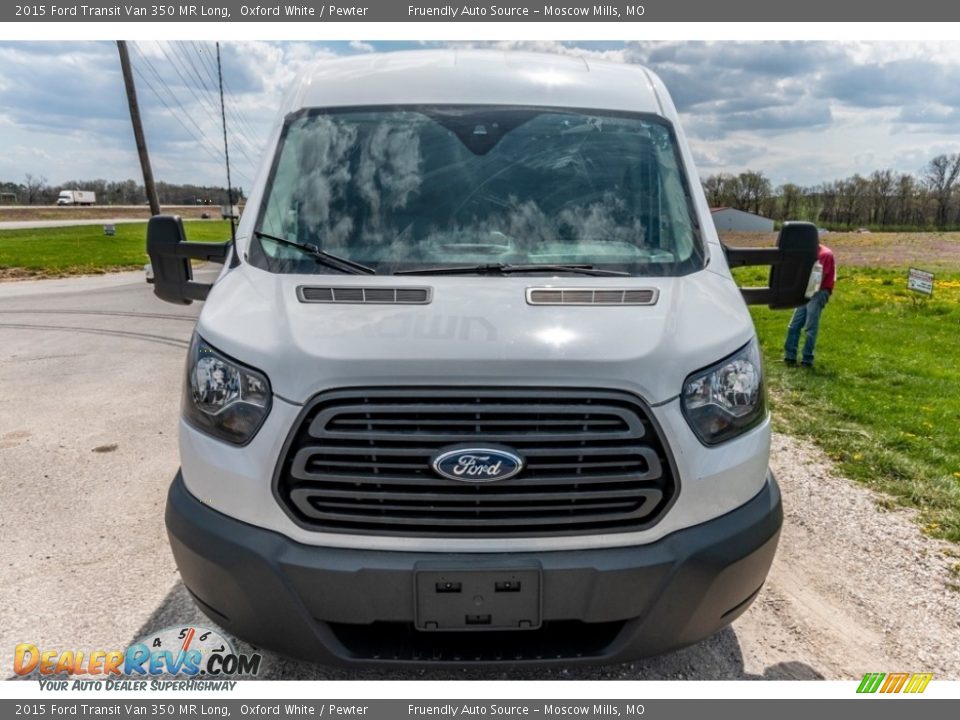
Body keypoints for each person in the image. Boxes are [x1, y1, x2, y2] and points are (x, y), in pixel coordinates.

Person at [784, 243, 836, 367]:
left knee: (810, 328)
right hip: (806, 290)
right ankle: (790, 356)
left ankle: (807, 359)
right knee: (794, 325)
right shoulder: (807, 254)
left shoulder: (825, 254)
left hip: (818, 292)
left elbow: (818, 280)